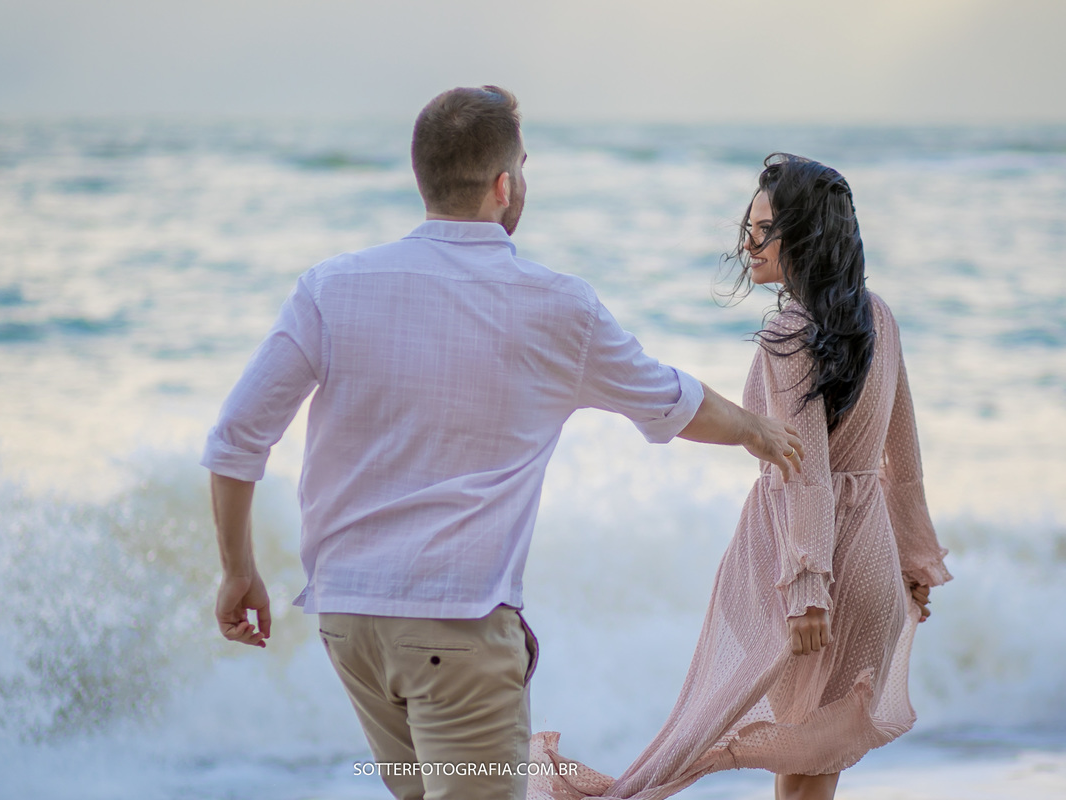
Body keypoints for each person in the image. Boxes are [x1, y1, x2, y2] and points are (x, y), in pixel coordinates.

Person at [200, 87, 803, 800]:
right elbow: (667, 399)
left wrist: (237, 570)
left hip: (349, 623)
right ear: (503, 185)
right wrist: (758, 431)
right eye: (523, 166)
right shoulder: (556, 304)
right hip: (453, 626)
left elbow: (237, 438)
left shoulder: (330, 288)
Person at [528, 154, 952, 800]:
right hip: (871, 569)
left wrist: (809, 583)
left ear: (802, 237)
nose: (746, 245)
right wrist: (916, 561)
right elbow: (906, 460)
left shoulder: (788, 332)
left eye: (762, 229)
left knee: (750, 751)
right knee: (813, 772)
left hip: (810, 576)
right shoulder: (879, 317)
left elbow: (802, 467)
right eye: (746, 227)